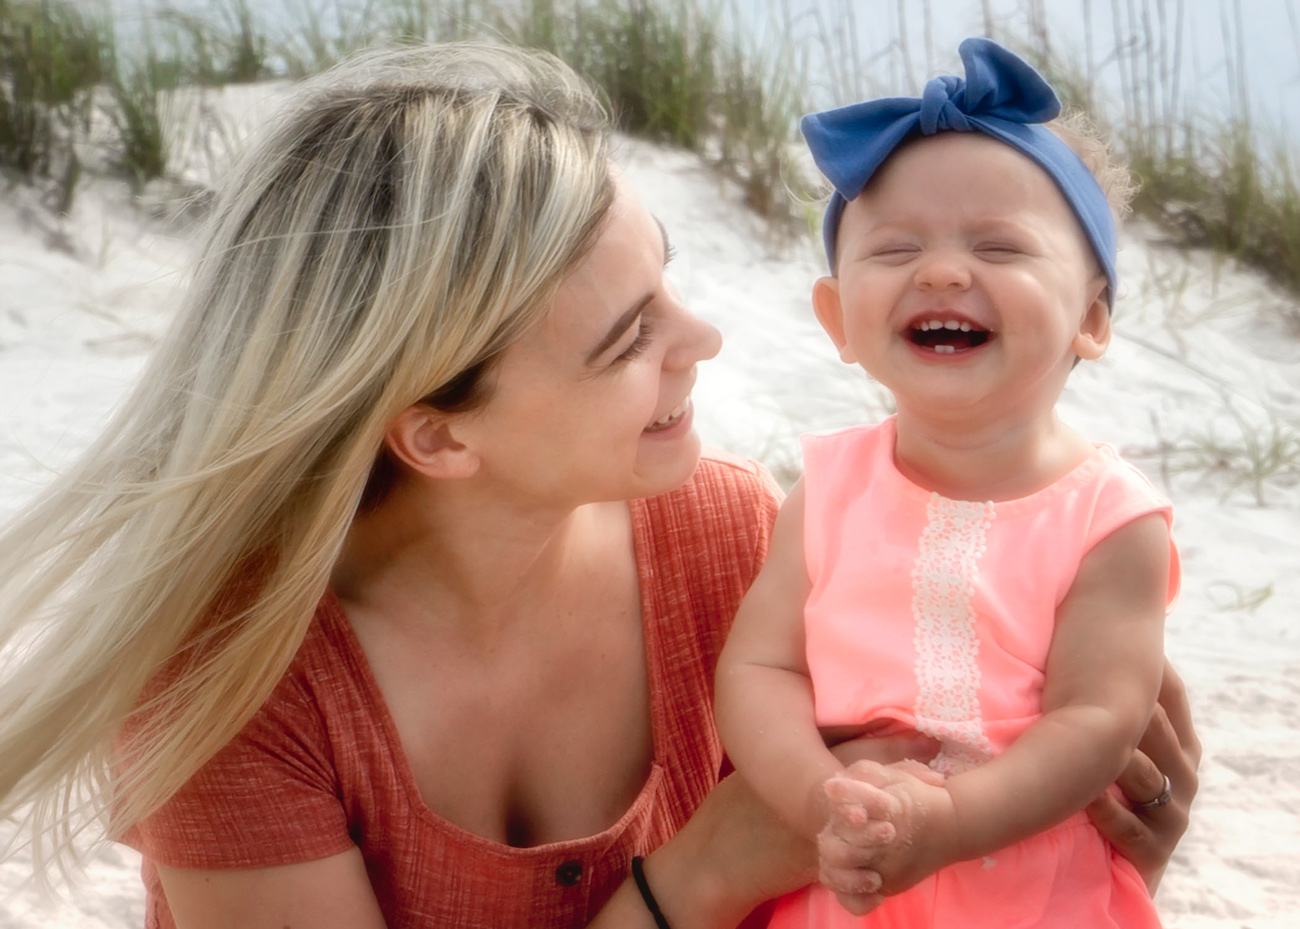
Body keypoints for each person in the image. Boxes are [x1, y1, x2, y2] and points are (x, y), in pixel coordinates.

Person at [0, 41, 1197, 929]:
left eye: (667, 280)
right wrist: (695, 879)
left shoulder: (731, 537)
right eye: (630, 336)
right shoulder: (230, 689)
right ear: (437, 437)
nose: (703, 338)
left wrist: (1084, 840)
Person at [716, 38, 1184, 929]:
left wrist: (951, 822)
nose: (941, 271)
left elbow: (1098, 718)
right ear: (836, 318)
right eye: (895, 250)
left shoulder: (1109, 516)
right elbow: (758, 667)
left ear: (1089, 318)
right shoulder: (830, 486)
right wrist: (824, 800)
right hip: (843, 877)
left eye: (999, 246)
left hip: (1029, 888)